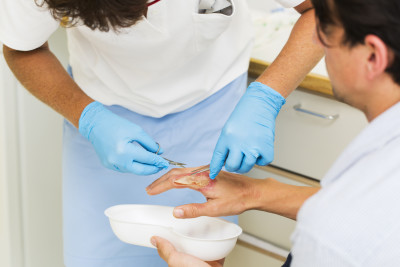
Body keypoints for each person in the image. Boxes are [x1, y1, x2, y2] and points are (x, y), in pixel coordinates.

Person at [0, 0, 322, 266]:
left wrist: (267, 96)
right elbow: (22, 49)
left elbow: (324, 9)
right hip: (101, 106)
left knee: (195, 256)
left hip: (211, 104)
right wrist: (89, 118)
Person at [147, 0, 400, 266]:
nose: (315, 39)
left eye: (326, 30)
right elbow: (365, 209)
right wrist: (255, 192)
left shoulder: (330, 244)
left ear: (373, 56)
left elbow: (348, 222)